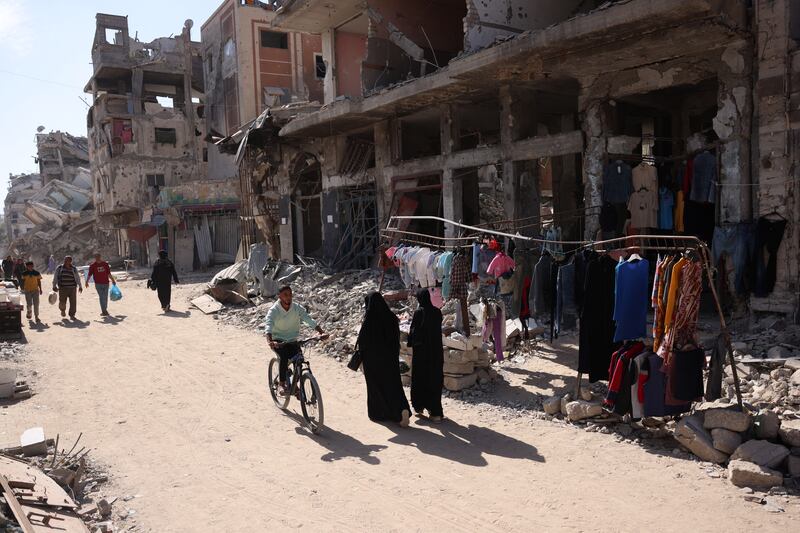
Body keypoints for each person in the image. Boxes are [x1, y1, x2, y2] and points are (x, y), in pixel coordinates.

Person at [357, 292, 410, 427]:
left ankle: (380, 413)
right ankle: (401, 409)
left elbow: (362, 341)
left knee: (375, 386)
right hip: (390, 358)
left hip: (372, 360)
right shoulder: (391, 317)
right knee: (393, 385)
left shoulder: (370, 319)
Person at [265, 285, 327, 395]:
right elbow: (268, 325)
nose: (288, 297)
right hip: (278, 340)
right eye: (285, 295)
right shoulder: (274, 310)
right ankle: (282, 384)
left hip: (292, 339)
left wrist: (321, 332)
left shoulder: (296, 308)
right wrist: (270, 341)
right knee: (283, 356)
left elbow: (308, 319)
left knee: (299, 358)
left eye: (290, 295)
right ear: (279, 296)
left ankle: (295, 385)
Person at [408, 288, 444, 422]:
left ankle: (419, 406)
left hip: (422, 353)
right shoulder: (437, 312)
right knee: (434, 379)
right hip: (436, 353)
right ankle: (435, 411)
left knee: (419, 378)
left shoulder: (419, 313)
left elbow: (413, 332)